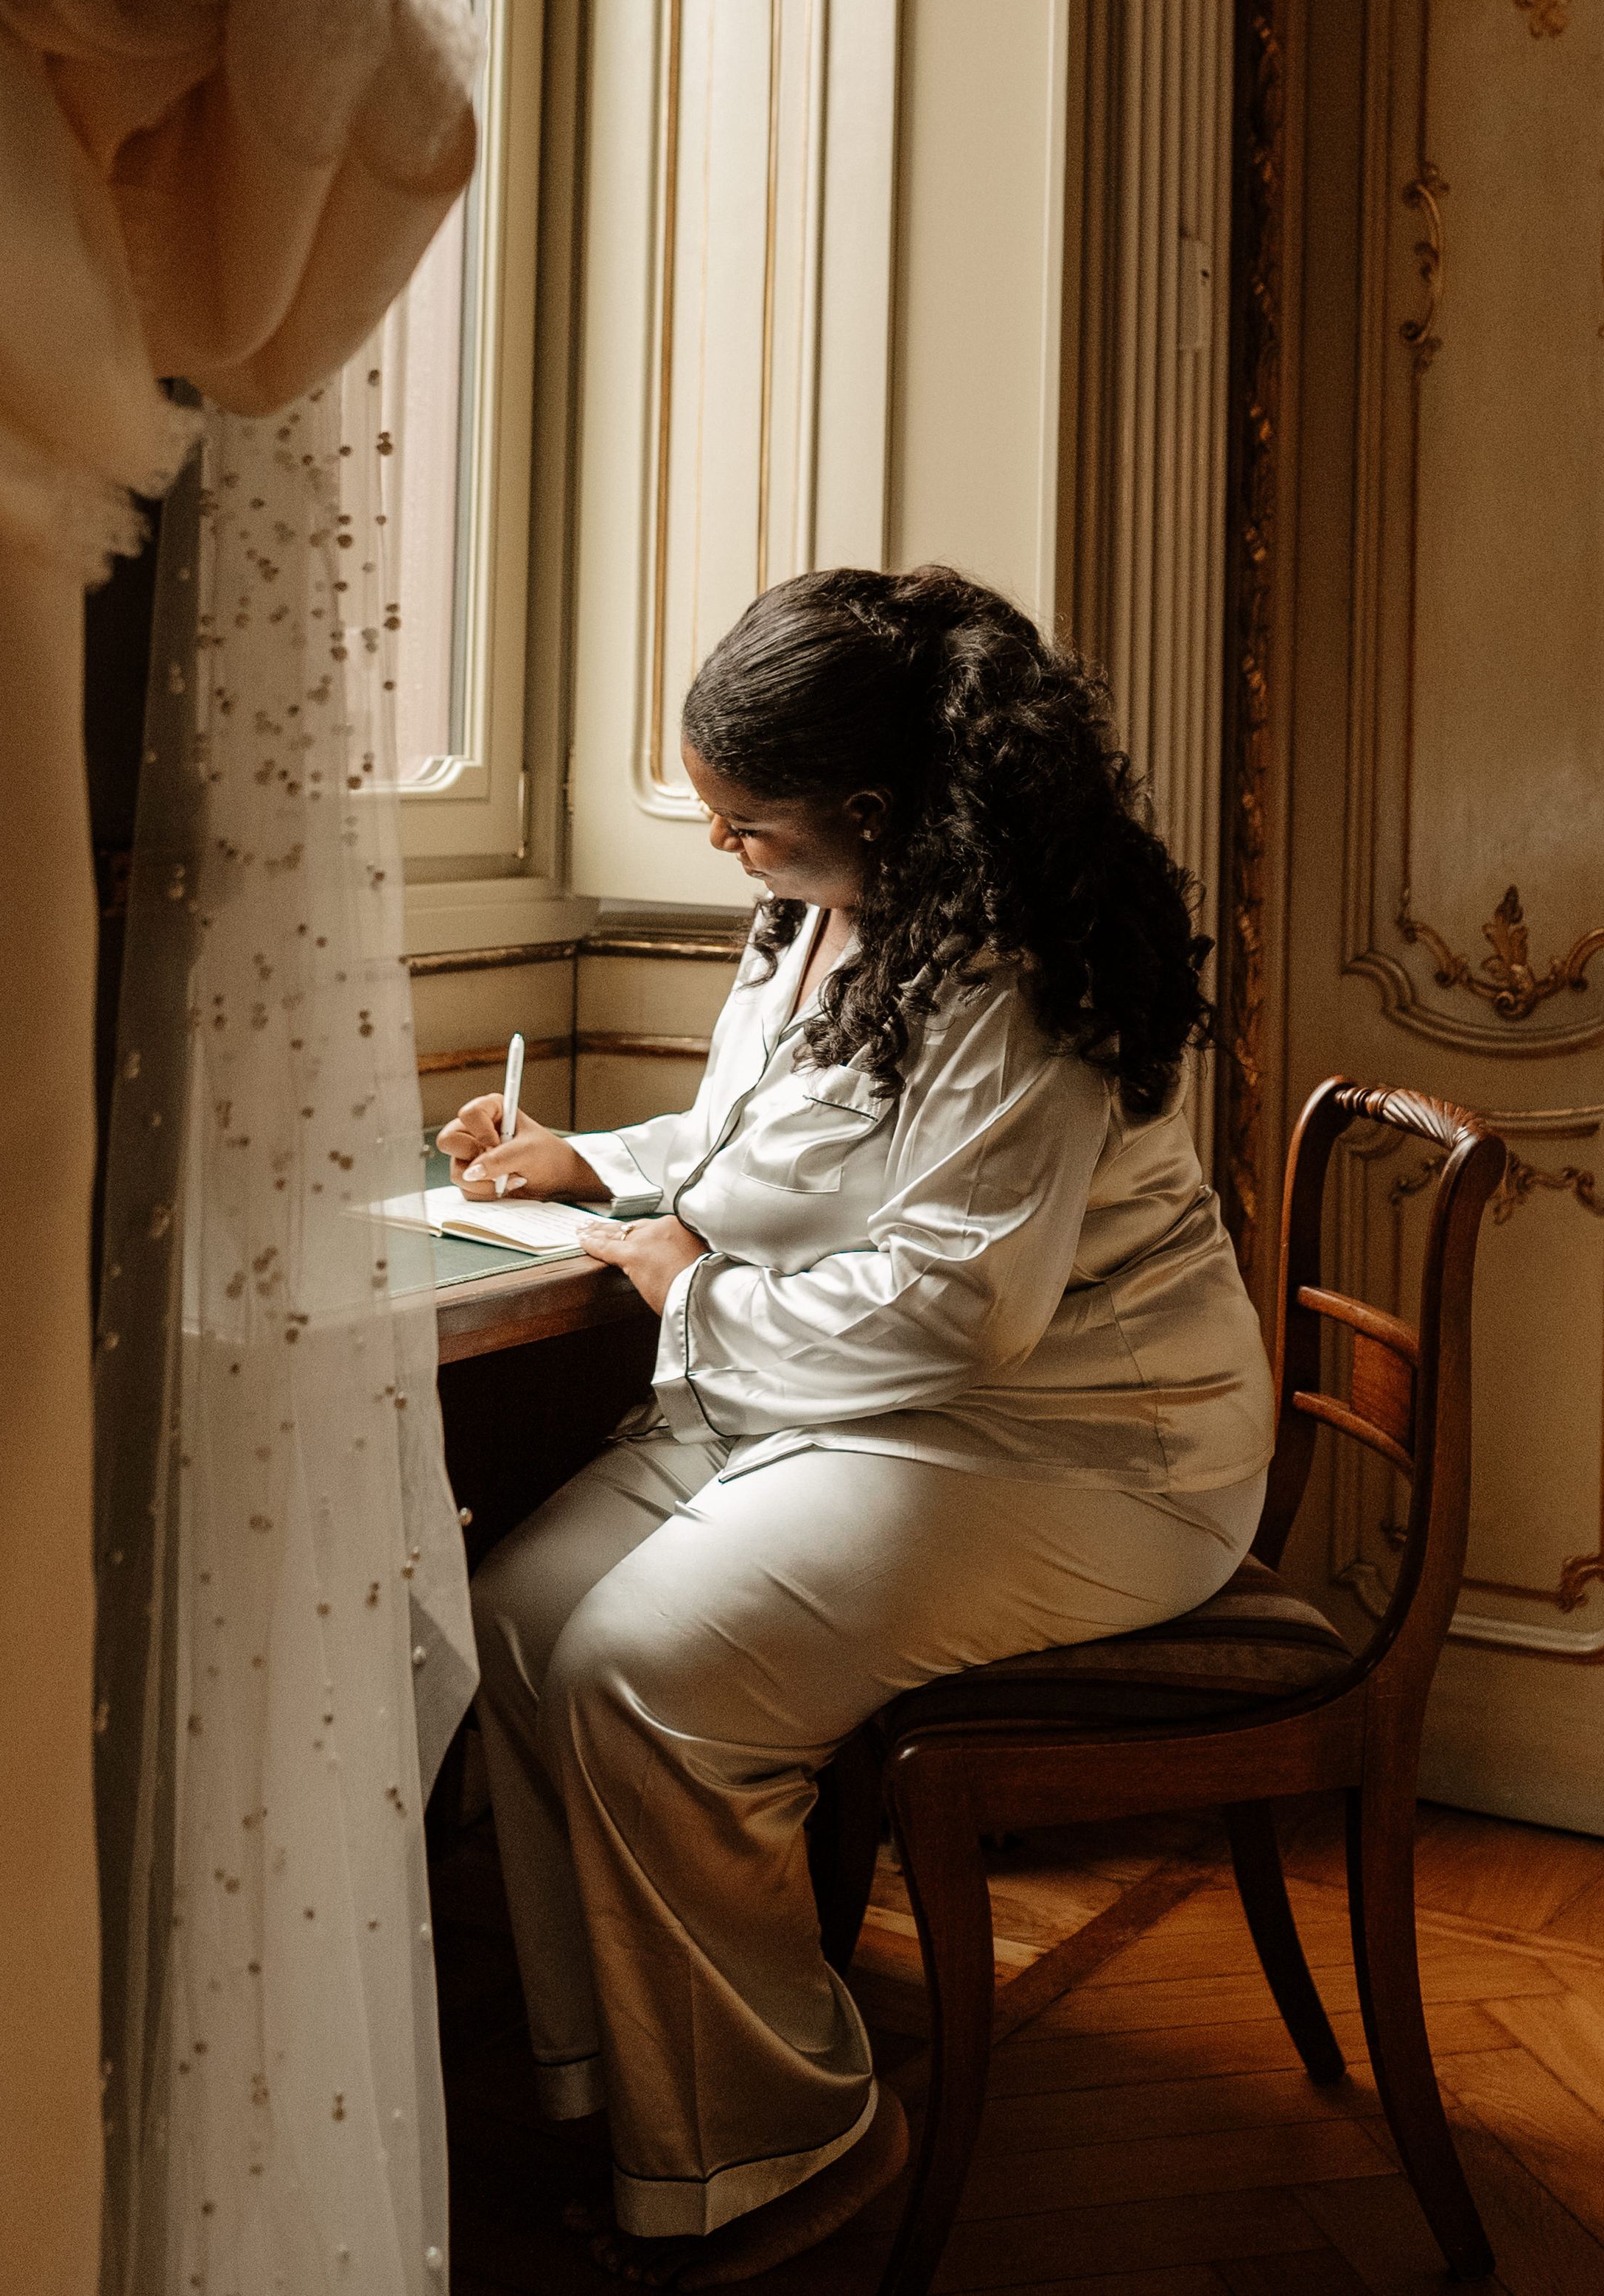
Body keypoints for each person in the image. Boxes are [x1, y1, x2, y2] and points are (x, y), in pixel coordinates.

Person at [437, 565, 1275, 2286]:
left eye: (753, 824)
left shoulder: (1017, 963)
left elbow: (963, 1305)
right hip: (838, 1398)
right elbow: (782, 1137)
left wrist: (688, 1296)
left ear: (879, 809)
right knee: (521, 1619)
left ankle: (780, 2134)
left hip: (1074, 1446)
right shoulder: (825, 911)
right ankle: (636, 2088)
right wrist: (601, 1162)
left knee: (644, 1667)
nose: (728, 852)